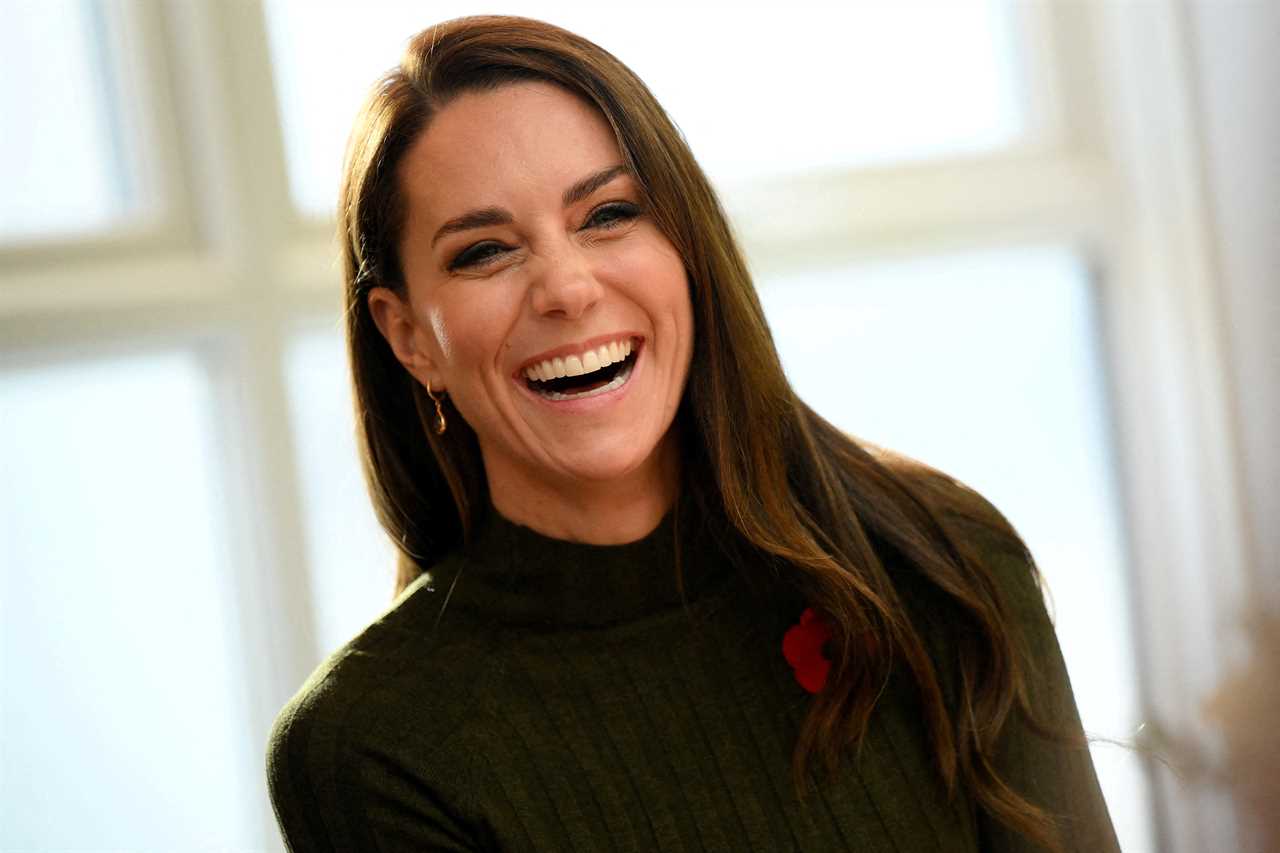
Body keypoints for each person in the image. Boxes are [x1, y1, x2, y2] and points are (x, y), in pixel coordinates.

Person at [266, 15, 1120, 853]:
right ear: (409, 335)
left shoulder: (946, 566)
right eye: (486, 250)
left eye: (607, 214)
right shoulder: (370, 747)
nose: (566, 287)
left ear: (688, 246)